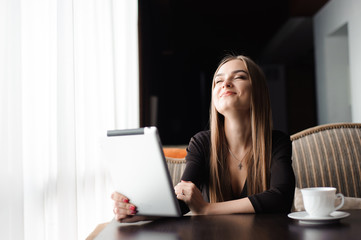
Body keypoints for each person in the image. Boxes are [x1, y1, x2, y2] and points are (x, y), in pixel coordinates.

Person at [111, 54, 295, 222]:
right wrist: (136, 211)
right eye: (218, 81)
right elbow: (183, 199)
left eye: (238, 77)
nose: (226, 83)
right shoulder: (202, 143)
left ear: (258, 91)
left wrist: (208, 209)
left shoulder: (277, 142)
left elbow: (280, 198)